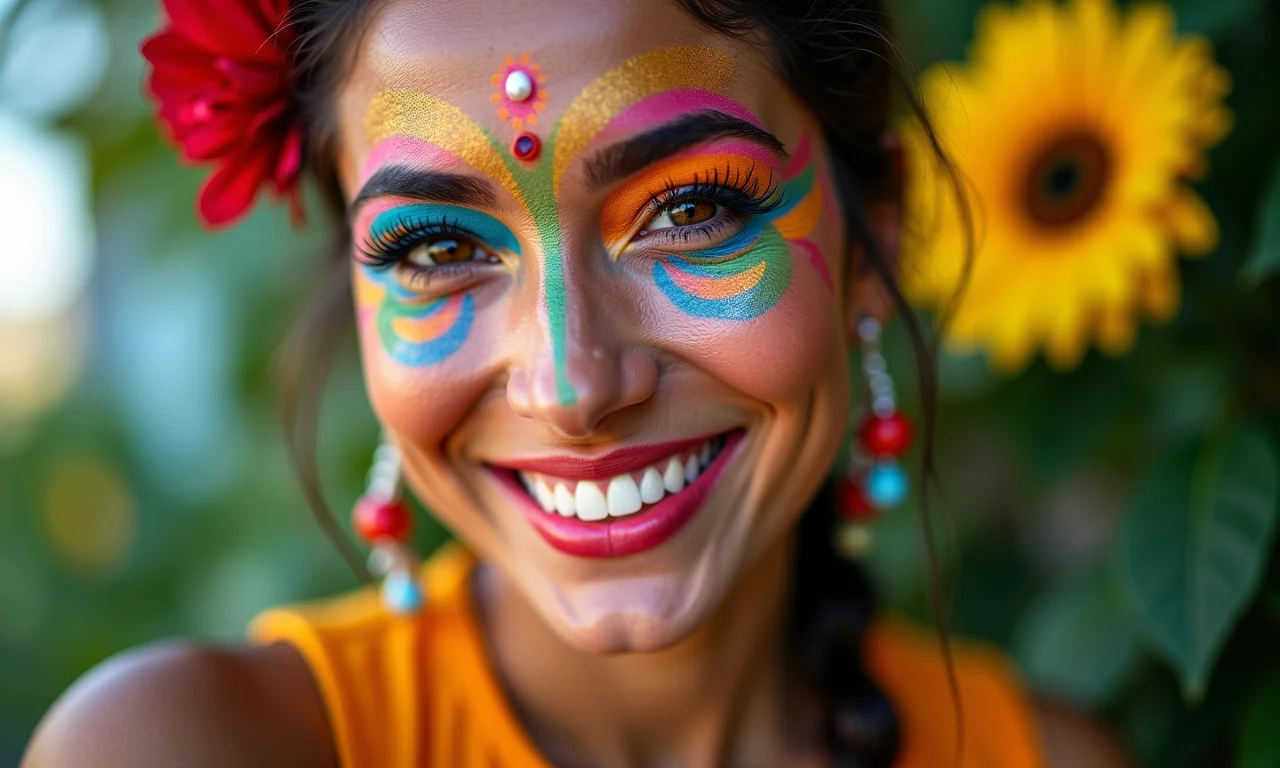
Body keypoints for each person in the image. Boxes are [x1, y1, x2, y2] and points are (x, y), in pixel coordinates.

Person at [24, 0, 1135, 765]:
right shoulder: (187, 749)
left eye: (690, 211)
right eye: (434, 248)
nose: (572, 383)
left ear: (873, 232)